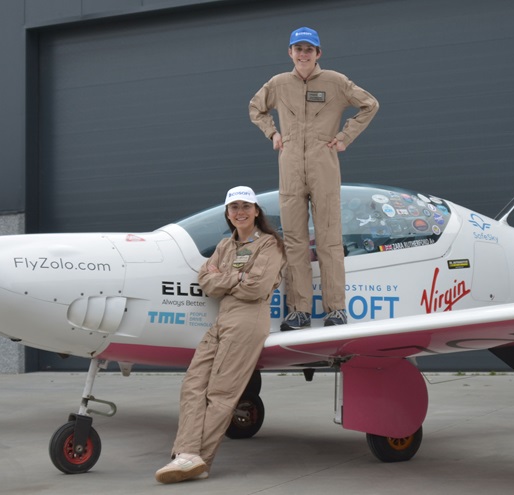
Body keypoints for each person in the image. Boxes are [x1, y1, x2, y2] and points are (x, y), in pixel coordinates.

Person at [249, 26, 379, 330]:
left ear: (318, 53)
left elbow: (369, 104)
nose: (303, 54)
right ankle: (299, 311)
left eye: (309, 49)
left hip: (324, 167)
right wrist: (273, 133)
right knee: (294, 242)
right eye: (298, 49)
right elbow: (256, 108)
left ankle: (336, 310)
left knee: (329, 240)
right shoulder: (278, 84)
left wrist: (345, 136)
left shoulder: (336, 82)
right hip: (290, 168)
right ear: (290, 53)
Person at [154, 186, 285, 484]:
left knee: (222, 392)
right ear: (227, 214)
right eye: (233, 207)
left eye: (245, 206)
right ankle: (187, 453)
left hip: (248, 319)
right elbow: (206, 283)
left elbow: (257, 287)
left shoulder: (269, 245)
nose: (240, 212)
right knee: (193, 384)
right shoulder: (225, 246)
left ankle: (201, 459)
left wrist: (222, 278)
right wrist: (237, 276)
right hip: (223, 317)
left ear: (256, 211)